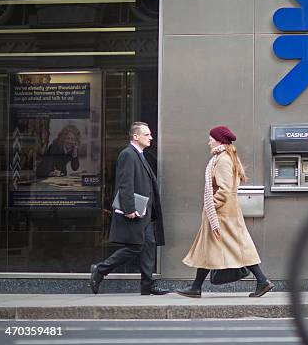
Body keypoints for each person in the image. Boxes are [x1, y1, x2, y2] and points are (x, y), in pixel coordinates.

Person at [176, 126, 274, 298]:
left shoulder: (223, 160)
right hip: (223, 213)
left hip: (221, 213)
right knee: (210, 248)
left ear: (219, 140)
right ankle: (196, 287)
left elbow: (225, 189)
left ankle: (262, 280)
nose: (209, 142)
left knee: (239, 247)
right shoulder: (224, 157)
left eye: (211, 139)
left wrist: (211, 205)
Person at [90, 122, 168, 295]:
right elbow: (125, 184)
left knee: (148, 245)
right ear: (136, 136)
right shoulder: (128, 154)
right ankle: (100, 270)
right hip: (135, 211)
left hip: (145, 212)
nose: (151, 138)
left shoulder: (139, 154)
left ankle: (147, 286)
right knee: (135, 247)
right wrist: (129, 209)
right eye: (147, 135)